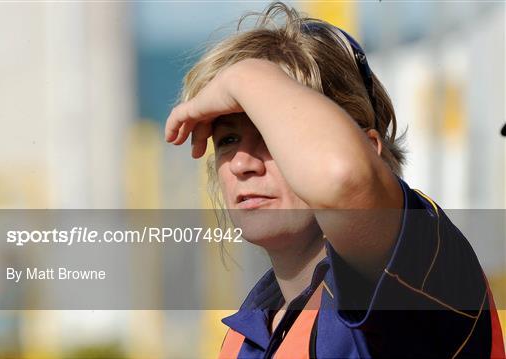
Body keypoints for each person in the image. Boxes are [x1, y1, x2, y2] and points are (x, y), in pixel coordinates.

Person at [165, 2, 505, 358]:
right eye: (228, 140)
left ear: (367, 149)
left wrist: (244, 75)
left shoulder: (420, 267)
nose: (242, 164)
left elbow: (344, 179)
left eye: (270, 136)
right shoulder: (246, 337)